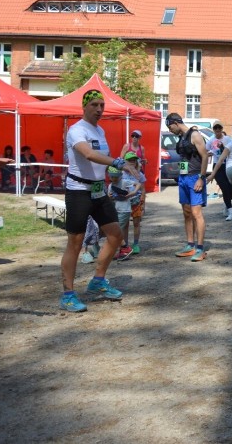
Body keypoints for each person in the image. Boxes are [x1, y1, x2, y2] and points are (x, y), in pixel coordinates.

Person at [59, 89, 139, 312]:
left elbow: (100, 160)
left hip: (98, 190)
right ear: (84, 106)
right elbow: (89, 155)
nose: (99, 109)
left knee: (116, 234)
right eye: (94, 104)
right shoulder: (76, 130)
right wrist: (119, 162)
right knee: (75, 242)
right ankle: (67, 294)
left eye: (101, 105)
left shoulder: (100, 130)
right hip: (78, 191)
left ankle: (98, 280)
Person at [166, 113, 210, 262]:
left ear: (176, 122)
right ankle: (190, 245)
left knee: (196, 213)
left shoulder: (195, 134)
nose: (169, 130)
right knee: (186, 212)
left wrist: (201, 178)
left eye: (170, 126)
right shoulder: (181, 137)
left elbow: (205, 156)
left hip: (195, 178)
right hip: (183, 178)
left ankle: (200, 248)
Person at [208, 123, 232, 221]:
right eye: (215, 128)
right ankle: (231, 212)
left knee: (231, 189)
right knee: (224, 188)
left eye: (219, 127)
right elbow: (205, 151)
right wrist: (209, 153)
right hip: (217, 166)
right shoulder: (211, 140)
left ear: (222, 128)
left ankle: (226, 207)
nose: (217, 129)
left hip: (227, 165)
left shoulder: (228, 139)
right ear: (213, 129)